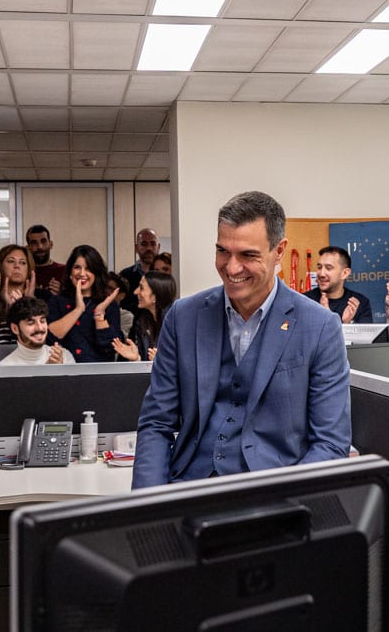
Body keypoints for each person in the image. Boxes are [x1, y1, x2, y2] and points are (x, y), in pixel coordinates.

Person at [132, 191, 351, 488]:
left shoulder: (320, 326)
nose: (232, 268)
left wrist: (288, 507)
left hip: (277, 501)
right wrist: (148, 507)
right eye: (223, 251)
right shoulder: (183, 317)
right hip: (190, 491)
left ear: (279, 251)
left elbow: (330, 444)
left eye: (248, 255)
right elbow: (156, 424)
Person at [46, 245, 123, 363]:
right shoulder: (57, 301)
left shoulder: (109, 305)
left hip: (100, 374)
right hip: (65, 372)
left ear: (96, 273)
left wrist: (99, 315)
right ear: (70, 272)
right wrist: (78, 310)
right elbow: (50, 338)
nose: (82, 273)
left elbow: (112, 348)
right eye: (77, 267)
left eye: (88, 269)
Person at [112, 271, 176, 362]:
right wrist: (137, 358)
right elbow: (146, 363)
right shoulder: (142, 320)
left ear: (155, 295)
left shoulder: (176, 322)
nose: (135, 292)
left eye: (141, 288)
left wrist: (162, 364)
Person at [303, 246, 373, 324]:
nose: (321, 274)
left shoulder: (360, 303)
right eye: (319, 267)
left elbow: (365, 336)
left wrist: (346, 324)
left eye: (328, 268)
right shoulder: (304, 301)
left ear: (345, 273)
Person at [0, 297, 73, 365]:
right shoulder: (4, 368)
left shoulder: (64, 357)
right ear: (15, 328)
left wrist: (61, 371)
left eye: (42, 321)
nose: (39, 328)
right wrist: (49, 371)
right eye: (31, 323)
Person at [120, 228, 161, 313]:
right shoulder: (124, 276)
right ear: (136, 248)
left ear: (158, 247)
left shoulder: (165, 275)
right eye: (144, 244)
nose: (149, 248)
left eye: (153, 244)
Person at [26, 224, 65, 300]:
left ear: (51, 244)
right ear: (28, 247)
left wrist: (62, 292)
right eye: (34, 243)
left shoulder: (64, 270)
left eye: (43, 241)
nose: (40, 246)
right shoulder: (24, 272)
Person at [106, 271, 135, 337]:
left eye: (110, 288)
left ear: (122, 295)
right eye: (104, 287)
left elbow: (118, 339)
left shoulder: (126, 316)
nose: (106, 291)